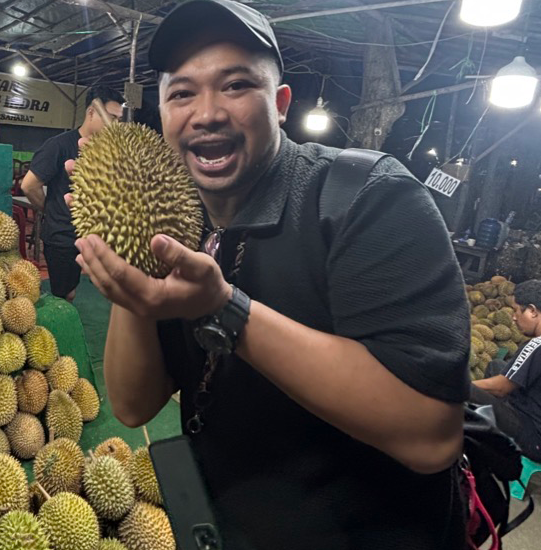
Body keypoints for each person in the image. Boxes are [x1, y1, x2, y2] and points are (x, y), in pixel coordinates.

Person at [69, 1, 470, 548]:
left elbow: (431, 436)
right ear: (161, 114)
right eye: (181, 93)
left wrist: (224, 309)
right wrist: (126, 274)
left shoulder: (369, 198)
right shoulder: (178, 216)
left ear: (280, 103)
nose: (206, 112)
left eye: (235, 85)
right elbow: (135, 404)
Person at [21, 86, 124, 302]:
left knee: (77, 287)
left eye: (118, 120)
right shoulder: (59, 146)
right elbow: (29, 185)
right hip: (63, 236)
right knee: (64, 294)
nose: (115, 125)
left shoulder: (108, 150)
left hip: (89, 235)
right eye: (111, 118)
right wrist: (50, 209)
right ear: (91, 113)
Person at [471, 280, 541, 461]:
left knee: (469, 391)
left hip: (534, 436)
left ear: (532, 311)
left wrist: (460, 385)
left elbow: (501, 388)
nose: (514, 317)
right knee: (496, 366)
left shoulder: (537, 344)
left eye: (517, 310)